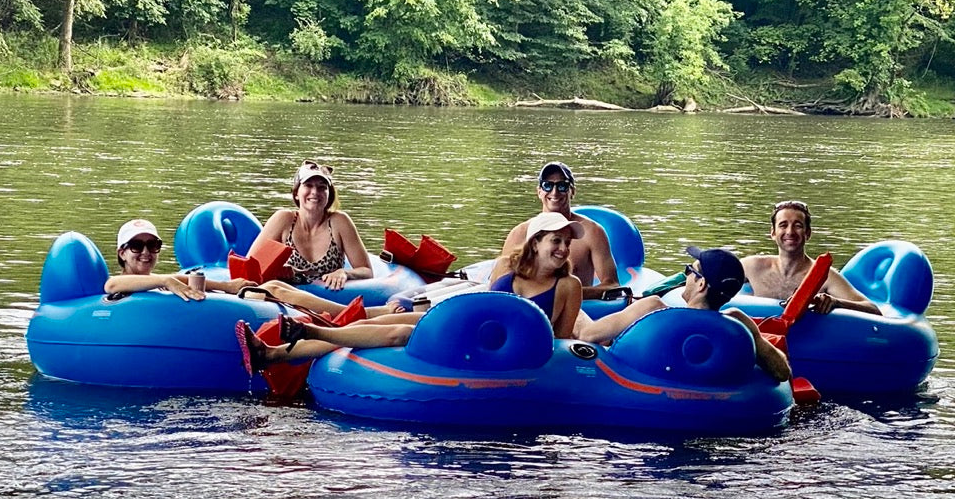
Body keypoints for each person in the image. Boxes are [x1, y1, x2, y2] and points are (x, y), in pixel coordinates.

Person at [235, 212, 585, 370]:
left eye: (566, 243)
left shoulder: (569, 286)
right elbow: (485, 305)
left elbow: (562, 338)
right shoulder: (509, 270)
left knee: (400, 332)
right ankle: (274, 354)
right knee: (386, 321)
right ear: (535, 244)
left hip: (500, 352)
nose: (563, 249)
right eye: (556, 241)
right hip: (473, 330)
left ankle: (312, 328)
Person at [572, 246, 792, 382]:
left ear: (701, 283)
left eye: (690, 270)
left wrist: (568, 295)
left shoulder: (652, 309)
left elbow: (587, 336)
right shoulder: (738, 322)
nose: (685, 275)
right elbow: (782, 372)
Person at [499, 161, 620, 300]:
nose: (554, 192)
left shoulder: (592, 232)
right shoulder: (519, 233)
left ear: (572, 191)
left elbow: (613, 285)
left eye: (562, 186)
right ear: (539, 192)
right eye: (547, 185)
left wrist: (567, 295)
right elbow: (502, 284)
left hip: (580, 310)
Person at [741, 200, 881, 315]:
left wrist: (835, 302)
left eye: (798, 226)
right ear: (773, 233)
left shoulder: (825, 276)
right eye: (783, 225)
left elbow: (873, 310)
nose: (790, 232)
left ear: (808, 233)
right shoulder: (752, 267)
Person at [252, 159, 374, 290]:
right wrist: (277, 270)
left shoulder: (339, 221)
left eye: (322, 187)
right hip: (285, 297)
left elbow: (366, 271)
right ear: (296, 193)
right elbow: (249, 266)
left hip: (330, 298)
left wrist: (344, 272)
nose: (315, 192)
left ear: (329, 195)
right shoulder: (283, 219)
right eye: (308, 185)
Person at [104, 219, 256, 300]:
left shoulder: (156, 280)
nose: (146, 252)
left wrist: (226, 286)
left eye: (153, 245)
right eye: (136, 246)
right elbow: (111, 285)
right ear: (122, 253)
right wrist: (166, 282)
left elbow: (178, 279)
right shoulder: (118, 283)